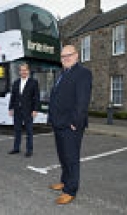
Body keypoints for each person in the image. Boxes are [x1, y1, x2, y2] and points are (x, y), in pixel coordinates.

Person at [48, 45, 92, 204]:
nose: (66, 58)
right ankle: (65, 181)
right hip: (58, 123)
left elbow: (82, 101)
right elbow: (56, 98)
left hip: (71, 125)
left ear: (77, 55)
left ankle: (70, 190)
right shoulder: (62, 73)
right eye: (63, 56)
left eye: (69, 55)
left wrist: (76, 122)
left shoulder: (83, 73)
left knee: (71, 157)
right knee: (62, 155)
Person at [8, 63, 40, 157]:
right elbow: (13, 96)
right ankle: (16, 148)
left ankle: (29, 150)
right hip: (17, 110)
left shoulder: (33, 82)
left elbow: (36, 97)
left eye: (25, 70)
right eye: (21, 70)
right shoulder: (16, 82)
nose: (23, 72)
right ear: (19, 72)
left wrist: (35, 110)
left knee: (29, 131)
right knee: (17, 130)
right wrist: (11, 108)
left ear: (28, 71)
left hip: (28, 110)